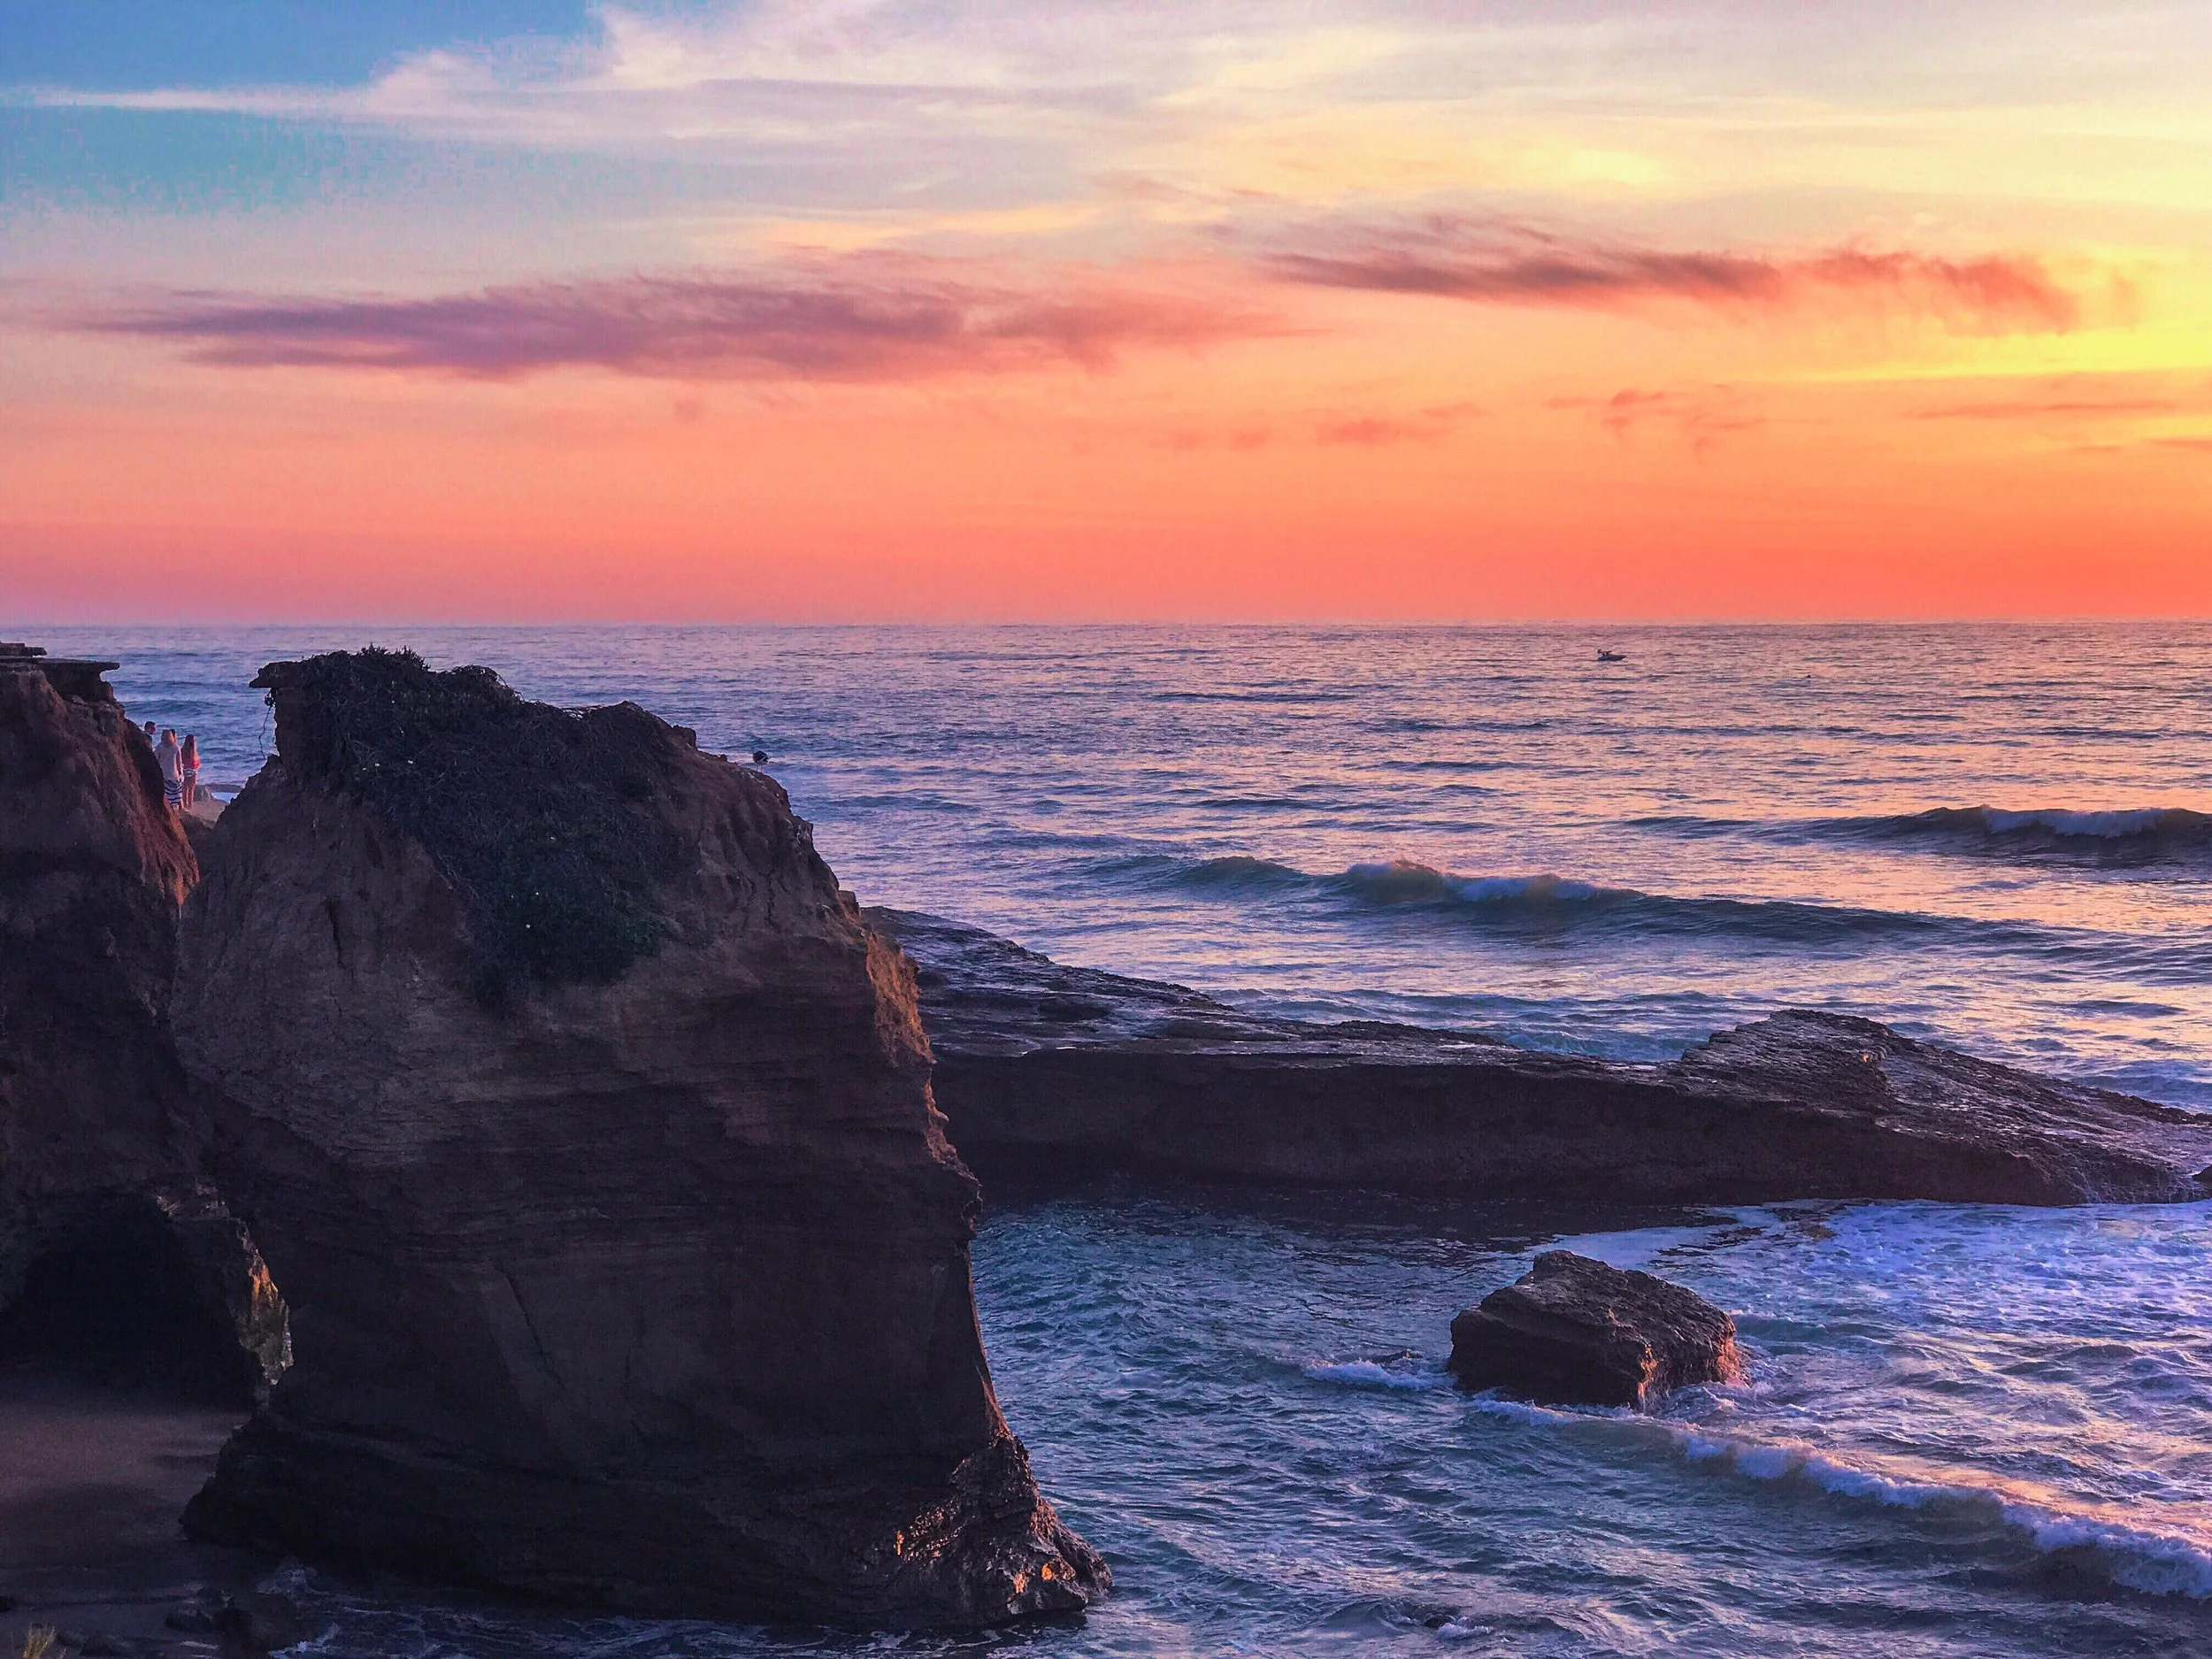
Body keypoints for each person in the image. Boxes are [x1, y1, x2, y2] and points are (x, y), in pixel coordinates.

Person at [154, 729, 182, 811]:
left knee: (166, 792)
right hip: (174, 773)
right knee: (176, 791)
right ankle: (180, 807)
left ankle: (167, 807)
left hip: (163, 772)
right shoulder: (176, 747)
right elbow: (179, 761)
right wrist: (180, 770)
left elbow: (155, 759)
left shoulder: (159, 747)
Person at [180, 734, 201, 808]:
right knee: (191, 789)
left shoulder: (183, 750)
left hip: (185, 770)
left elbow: (181, 760)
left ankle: (185, 803)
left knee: (185, 788)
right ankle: (190, 805)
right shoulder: (193, 751)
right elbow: (195, 762)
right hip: (193, 770)